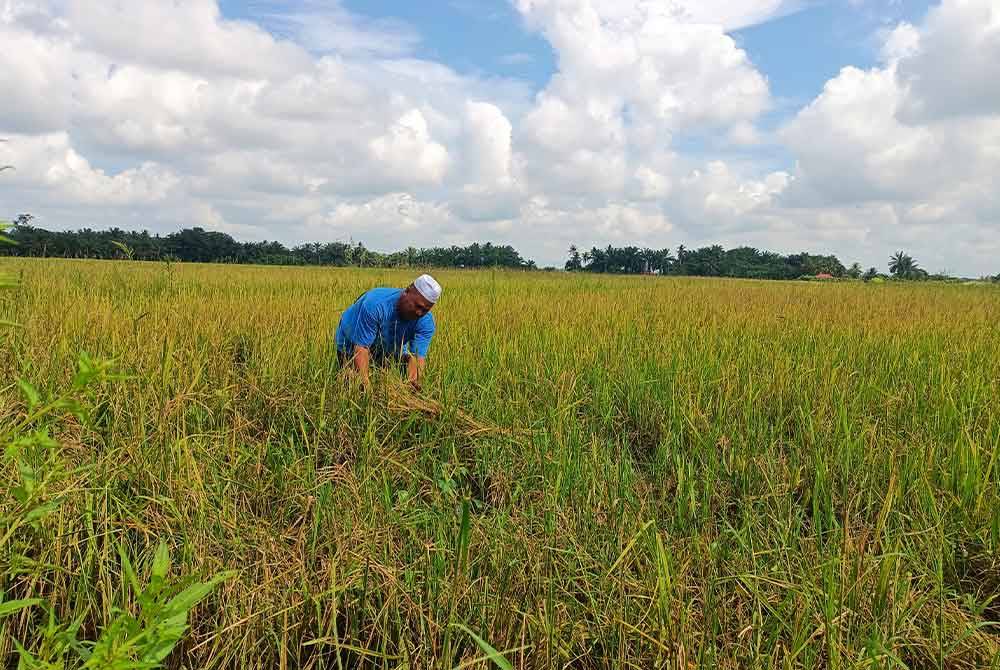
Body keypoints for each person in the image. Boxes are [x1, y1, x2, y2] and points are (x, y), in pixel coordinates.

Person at [335, 274, 441, 390]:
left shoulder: (426, 322)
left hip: (388, 347)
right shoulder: (375, 305)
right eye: (417, 306)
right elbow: (361, 348)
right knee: (351, 381)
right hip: (351, 341)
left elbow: (416, 356)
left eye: (425, 310)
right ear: (406, 291)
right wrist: (365, 385)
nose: (419, 313)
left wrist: (412, 383)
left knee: (387, 375)